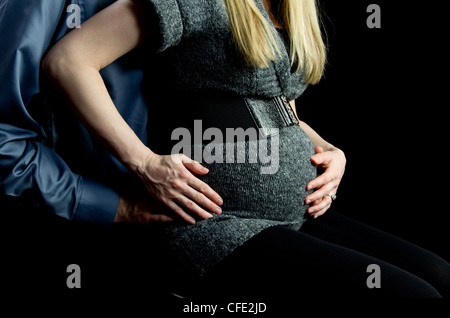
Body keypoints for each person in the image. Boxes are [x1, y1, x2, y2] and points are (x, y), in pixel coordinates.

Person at [7, 0, 450, 298]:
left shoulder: (284, 10)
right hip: (215, 224)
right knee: (412, 295)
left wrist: (330, 150)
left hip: (296, 213)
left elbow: (278, 111)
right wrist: (141, 166)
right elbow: (67, 61)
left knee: (437, 275)